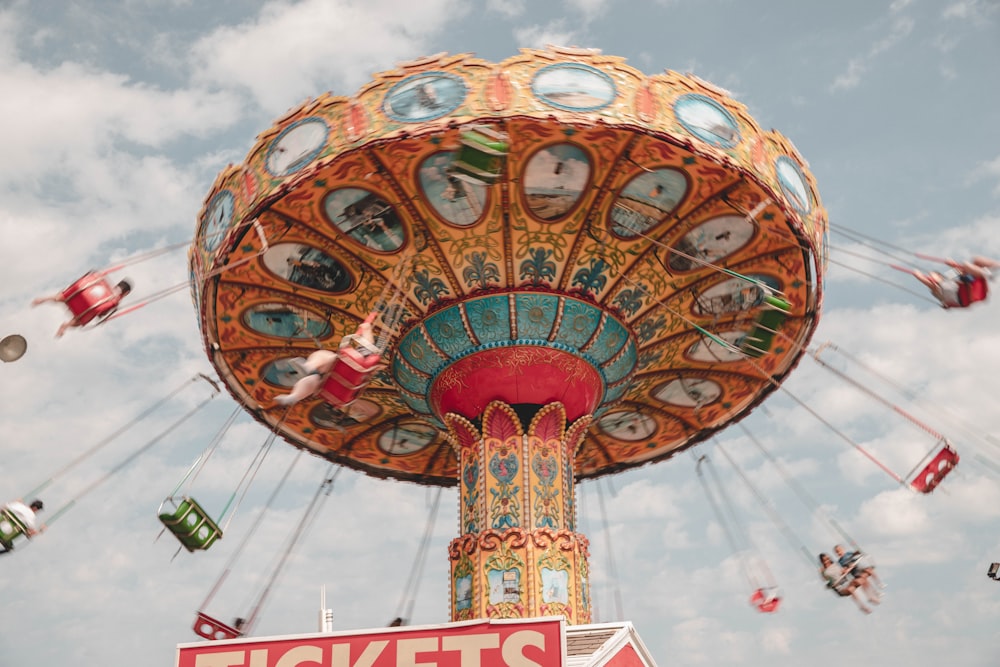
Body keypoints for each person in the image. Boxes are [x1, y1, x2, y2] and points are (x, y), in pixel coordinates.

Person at [32, 271, 133, 337]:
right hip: (84, 310)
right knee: (79, 321)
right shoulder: (114, 301)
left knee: (62, 297)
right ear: (126, 293)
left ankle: (44, 299)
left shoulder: (104, 283)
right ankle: (66, 326)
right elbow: (101, 313)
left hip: (77, 297)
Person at [902, 256, 1000, 309]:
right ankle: (989, 274)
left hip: (971, 288)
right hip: (967, 295)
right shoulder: (937, 289)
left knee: (976, 260)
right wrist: (918, 275)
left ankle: (996, 266)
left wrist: (952, 263)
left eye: (933, 275)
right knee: (966, 265)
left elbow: (959, 270)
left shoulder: (946, 278)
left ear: (939, 275)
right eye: (930, 276)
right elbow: (928, 283)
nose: (931, 277)